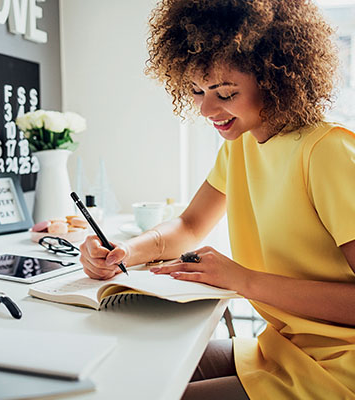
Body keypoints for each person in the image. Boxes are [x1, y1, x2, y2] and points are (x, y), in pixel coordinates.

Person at [80, 0, 355, 398]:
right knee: (131, 369)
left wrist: (243, 280)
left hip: (340, 368)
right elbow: (189, 225)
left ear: (274, 77)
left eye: (225, 92)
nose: (207, 109)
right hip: (285, 350)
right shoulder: (240, 146)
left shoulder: (327, 152)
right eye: (196, 91)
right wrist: (123, 250)